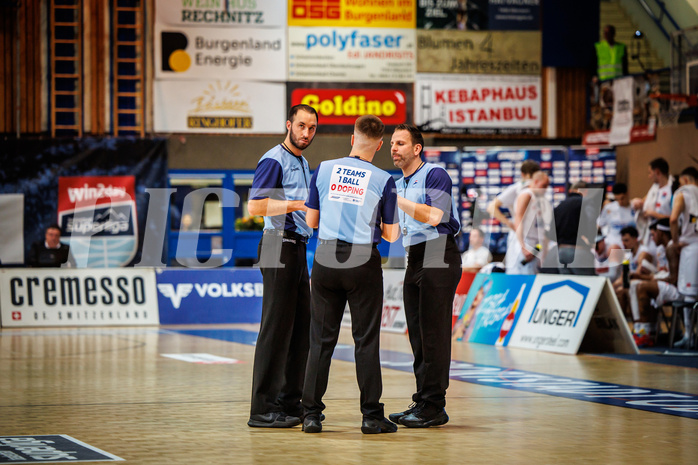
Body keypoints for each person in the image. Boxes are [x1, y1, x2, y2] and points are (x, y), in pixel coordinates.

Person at [301, 115, 400, 435]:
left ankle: (311, 415)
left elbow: (311, 221)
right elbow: (391, 236)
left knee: (320, 340)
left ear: (351, 137)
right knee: (366, 341)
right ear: (380, 144)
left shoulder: (324, 168)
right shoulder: (384, 179)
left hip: (326, 258)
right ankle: (371, 416)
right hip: (362, 262)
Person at [247, 104, 318, 428]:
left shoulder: (302, 162)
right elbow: (255, 205)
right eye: (301, 126)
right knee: (275, 330)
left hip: (297, 247)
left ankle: (290, 404)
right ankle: (262, 409)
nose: (306, 133)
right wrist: (295, 204)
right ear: (289, 125)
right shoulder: (273, 159)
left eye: (312, 128)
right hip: (277, 243)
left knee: (301, 329)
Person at [389, 124, 462, 428]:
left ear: (416, 148)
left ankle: (435, 405)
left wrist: (394, 199)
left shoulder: (435, 174)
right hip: (414, 254)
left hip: (438, 250)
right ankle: (423, 399)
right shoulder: (398, 182)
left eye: (401, 143)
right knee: (417, 333)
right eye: (392, 143)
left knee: (434, 333)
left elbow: (435, 216)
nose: (394, 148)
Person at [627, 219, 679, 347]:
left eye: (653, 234)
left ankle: (646, 332)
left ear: (661, 233)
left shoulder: (672, 247)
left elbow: (673, 279)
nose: (652, 238)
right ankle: (640, 329)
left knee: (642, 286)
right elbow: (664, 273)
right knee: (634, 285)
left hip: (679, 289)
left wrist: (649, 278)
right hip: (669, 284)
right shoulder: (662, 249)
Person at [669, 166, 698, 347]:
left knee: (689, 294)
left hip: (690, 248)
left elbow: (673, 219)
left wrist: (676, 241)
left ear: (685, 180)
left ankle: (689, 335)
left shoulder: (682, 194)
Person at [548, 181, 598, 275]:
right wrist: (591, 240)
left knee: (567, 287)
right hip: (579, 251)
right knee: (587, 285)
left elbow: (551, 234)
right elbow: (591, 220)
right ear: (585, 191)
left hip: (561, 253)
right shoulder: (586, 201)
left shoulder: (559, 206)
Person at [507, 171, 552, 274]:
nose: (545, 189)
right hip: (523, 242)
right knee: (520, 277)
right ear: (536, 181)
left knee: (532, 276)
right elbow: (518, 219)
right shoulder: (526, 194)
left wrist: (540, 249)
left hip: (534, 245)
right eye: (543, 185)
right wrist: (523, 246)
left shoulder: (539, 199)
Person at [631, 157, 674, 249]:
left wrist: (653, 214)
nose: (649, 176)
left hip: (666, 234)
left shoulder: (672, 189)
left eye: (650, 173)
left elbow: (675, 218)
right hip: (652, 232)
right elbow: (643, 202)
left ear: (657, 172)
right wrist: (637, 203)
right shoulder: (654, 188)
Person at [597, 183, 636, 252]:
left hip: (630, 245)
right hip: (613, 244)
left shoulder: (634, 207)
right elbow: (599, 224)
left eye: (622, 198)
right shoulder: (609, 208)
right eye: (617, 199)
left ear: (627, 194)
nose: (620, 202)